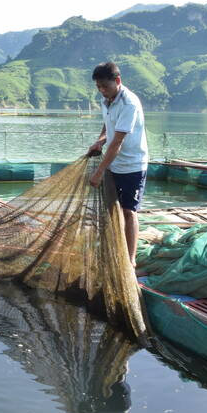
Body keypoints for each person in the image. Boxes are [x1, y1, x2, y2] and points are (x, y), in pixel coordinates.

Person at [87, 62, 149, 268]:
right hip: (114, 164)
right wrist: (100, 140)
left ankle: (130, 260)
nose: (102, 91)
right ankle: (113, 247)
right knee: (112, 209)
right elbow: (108, 124)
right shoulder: (107, 99)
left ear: (118, 81)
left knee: (129, 211)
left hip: (133, 165)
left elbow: (118, 142)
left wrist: (99, 171)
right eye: (99, 87)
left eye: (105, 86)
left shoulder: (129, 103)